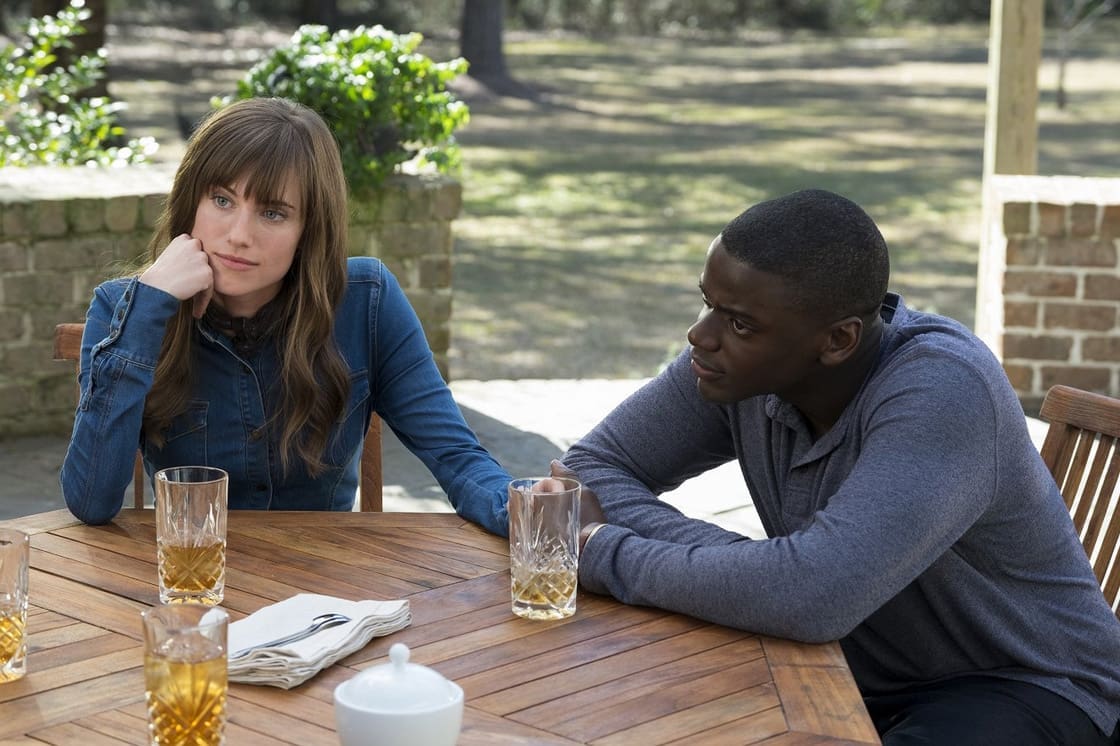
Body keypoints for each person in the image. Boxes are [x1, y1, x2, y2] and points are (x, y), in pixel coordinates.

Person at [557, 189, 1120, 744]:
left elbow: (809, 598)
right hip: (837, 665)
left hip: (1028, 685)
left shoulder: (943, 390)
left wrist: (603, 549)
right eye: (707, 303)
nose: (700, 335)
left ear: (839, 339)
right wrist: (760, 568)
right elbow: (588, 467)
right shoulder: (740, 364)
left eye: (739, 323)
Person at [60, 97, 510, 536]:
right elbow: (90, 500)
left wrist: (524, 506)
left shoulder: (367, 301)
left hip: (322, 577)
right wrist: (147, 308)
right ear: (190, 201)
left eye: (273, 213)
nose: (239, 235)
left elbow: (457, 456)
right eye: (222, 200)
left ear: (309, 230)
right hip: (190, 573)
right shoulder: (122, 308)